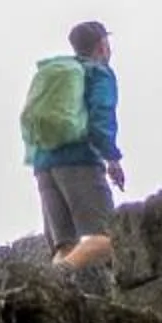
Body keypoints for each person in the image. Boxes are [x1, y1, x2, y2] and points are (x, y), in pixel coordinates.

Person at [23, 19, 124, 270]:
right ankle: (56, 279)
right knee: (107, 237)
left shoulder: (62, 73)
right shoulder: (97, 72)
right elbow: (101, 116)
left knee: (64, 246)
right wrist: (112, 158)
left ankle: (53, 285)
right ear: (102, 46)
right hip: (79, 161)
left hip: (44, 165)